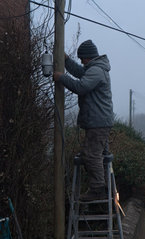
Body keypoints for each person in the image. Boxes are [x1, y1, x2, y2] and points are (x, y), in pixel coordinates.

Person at [53, 40, 113, 201]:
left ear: (88, 57)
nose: (81, 61)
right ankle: (104, 186)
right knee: (97, 155)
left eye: (82, 58)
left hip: (98, 122)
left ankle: (98, 189)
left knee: (91, 156)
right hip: (99, 121)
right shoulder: (95, 69)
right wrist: (66, 61)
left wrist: (61, 78)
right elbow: (80, 72)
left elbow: (80, 86)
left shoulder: (96, 71)